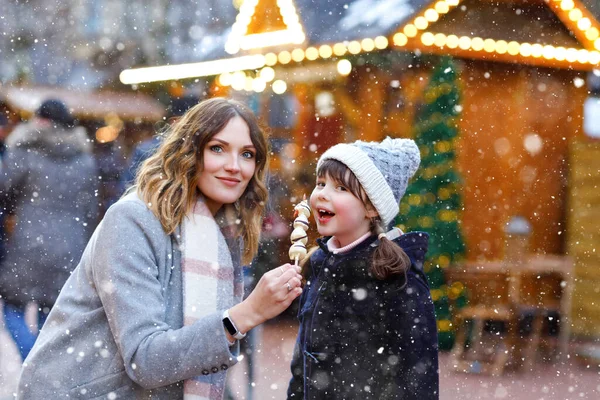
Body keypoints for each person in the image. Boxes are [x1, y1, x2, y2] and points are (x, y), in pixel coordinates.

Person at [16, 97, 303, 399]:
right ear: (190, 151)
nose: (234, 166)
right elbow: (147, 360)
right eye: (217, 148)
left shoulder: (224, 232)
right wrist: (246, 313)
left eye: (247, 154)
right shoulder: (132, 220)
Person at [287, 137, 439, 399]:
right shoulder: (318, 264)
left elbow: (418, 377)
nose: (322, 193)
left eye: (341, 188)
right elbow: (302, 362)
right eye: (321, 183)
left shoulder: (399, 280)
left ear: (371, 207)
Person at [0, 99, 98, 361]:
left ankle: (30, 359)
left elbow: (4, 193)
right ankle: (44, 368)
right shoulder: (85, 161)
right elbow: (91, 210)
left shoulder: (24, 153)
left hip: (28, 244)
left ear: (40, 120)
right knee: (53, 315)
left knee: (13, 306)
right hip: (71, 248)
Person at [123, 95, 199, 187]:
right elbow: (129, 185)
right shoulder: (146, 149)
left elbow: (127, 185)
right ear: (173, 121)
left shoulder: (199, 148)